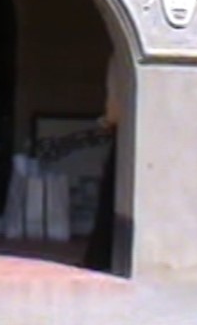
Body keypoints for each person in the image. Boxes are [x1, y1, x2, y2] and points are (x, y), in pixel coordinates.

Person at [82, 50, 125, 272]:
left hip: (126, 133)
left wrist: (107, 121)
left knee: (112, 196)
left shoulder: (120, 57)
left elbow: (115, 105)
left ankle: (102, 257)